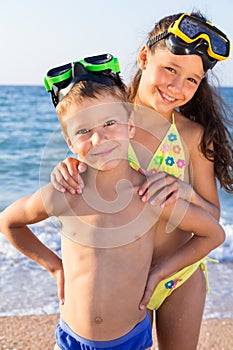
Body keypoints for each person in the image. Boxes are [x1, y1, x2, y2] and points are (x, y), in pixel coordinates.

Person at [0, 54, 226, 350]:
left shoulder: (148, 195)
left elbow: (213, 233)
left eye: (109, 123)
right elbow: (8, 221)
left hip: (129, 339)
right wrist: (54, 267)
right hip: (69, 339)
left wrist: (160, 271)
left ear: (130, 127)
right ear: (69, 141)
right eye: (83, 130)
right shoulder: (65, 192)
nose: (99, 139)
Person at [49, 12, 233, 350]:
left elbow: (213, 217)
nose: (178, 87)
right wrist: (67, 167)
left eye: (192, 80)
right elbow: (81, 150)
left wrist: (185, 189)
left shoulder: (192, 137)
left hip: (180, 273)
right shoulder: (108, 124)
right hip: (124, 279)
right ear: (144, 57)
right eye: (171, 69)